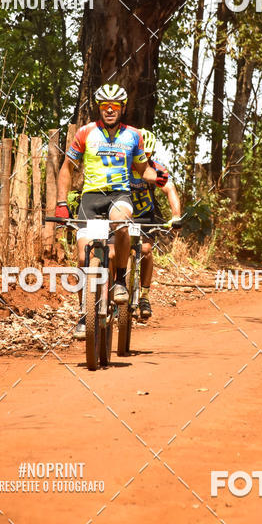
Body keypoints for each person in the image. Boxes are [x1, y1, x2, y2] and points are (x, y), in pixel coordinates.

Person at [55, 83, 156, 339]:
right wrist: (62, 203)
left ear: (122, 108)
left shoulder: (133, 135)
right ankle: (83, 313)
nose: (109, 110)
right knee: (82, 258)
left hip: (119, 195)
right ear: (99, 108)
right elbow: (67, 167)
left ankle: (120, 281)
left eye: (114, 106)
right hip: (91, 197)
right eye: (104, 106)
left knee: (121, 222)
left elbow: (144, 170)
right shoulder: (86, 133)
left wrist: (164, 181)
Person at [129, 128, 183, 320]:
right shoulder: (121, 165)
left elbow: (169, 189)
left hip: (145, 215)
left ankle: (144, 295)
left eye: (147, 154)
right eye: (140, 153)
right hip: (121, 215)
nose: (143, 157)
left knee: (145, 250)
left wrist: (176, 216)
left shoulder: (156, 168)